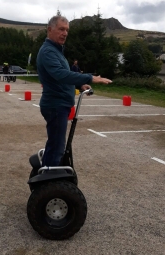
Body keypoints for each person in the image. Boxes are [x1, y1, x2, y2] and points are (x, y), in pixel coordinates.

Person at [37, 15, 112, 168]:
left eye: (67, 30)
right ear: (50, 30)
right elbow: (60, 74)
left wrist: (79, 85)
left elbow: (61, 78)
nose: (65, 33)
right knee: (57, 148)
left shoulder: (56, 51)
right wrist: (90, 78)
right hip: (55, 105)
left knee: (56, 145)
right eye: (61, 29)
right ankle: (48, 184)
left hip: (59, 105)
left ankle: (48, 177)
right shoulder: (48, 52)